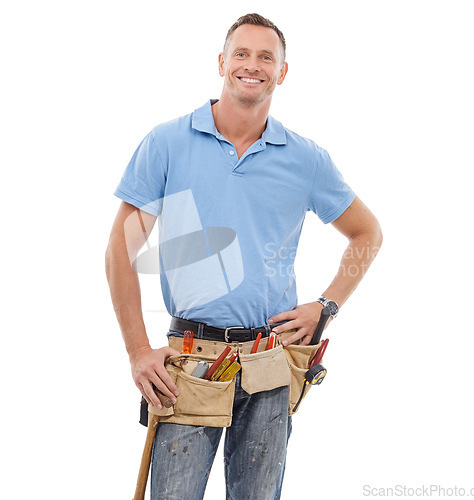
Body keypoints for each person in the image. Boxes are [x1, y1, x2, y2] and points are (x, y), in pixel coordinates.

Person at [105, 12, 382, 500]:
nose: (252, 65)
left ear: (282, 72)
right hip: (190, 363)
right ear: (221, 62)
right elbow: (119, 251)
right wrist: (136, 351)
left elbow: (367, 234)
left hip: (272, 363)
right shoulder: (167, 143)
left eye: (265, 57)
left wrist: (328, 305)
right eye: (241, 53)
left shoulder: (305, 159)